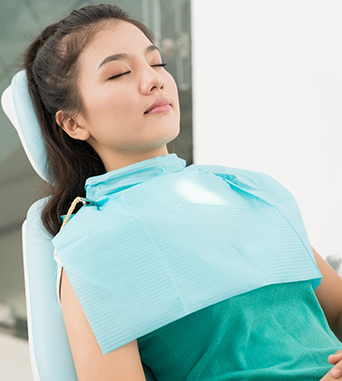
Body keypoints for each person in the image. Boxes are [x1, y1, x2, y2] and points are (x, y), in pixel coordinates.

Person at [22, 3, 342, 381]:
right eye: (120, 73)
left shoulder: (246, 189)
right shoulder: (94, 246)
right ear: (73, 122)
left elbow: (335, 312)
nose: (154, 81)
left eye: (157, 64)